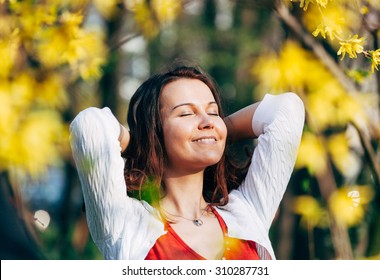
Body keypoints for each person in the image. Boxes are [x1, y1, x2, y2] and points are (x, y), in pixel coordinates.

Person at [69, 63, 305, 260]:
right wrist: (142, 144)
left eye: (213, 112)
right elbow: (90, 126)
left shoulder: (246, 210)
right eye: (186, 113)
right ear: (155, 132)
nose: (207, 120)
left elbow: (287, 109)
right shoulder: (125, 224)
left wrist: (215, 134)